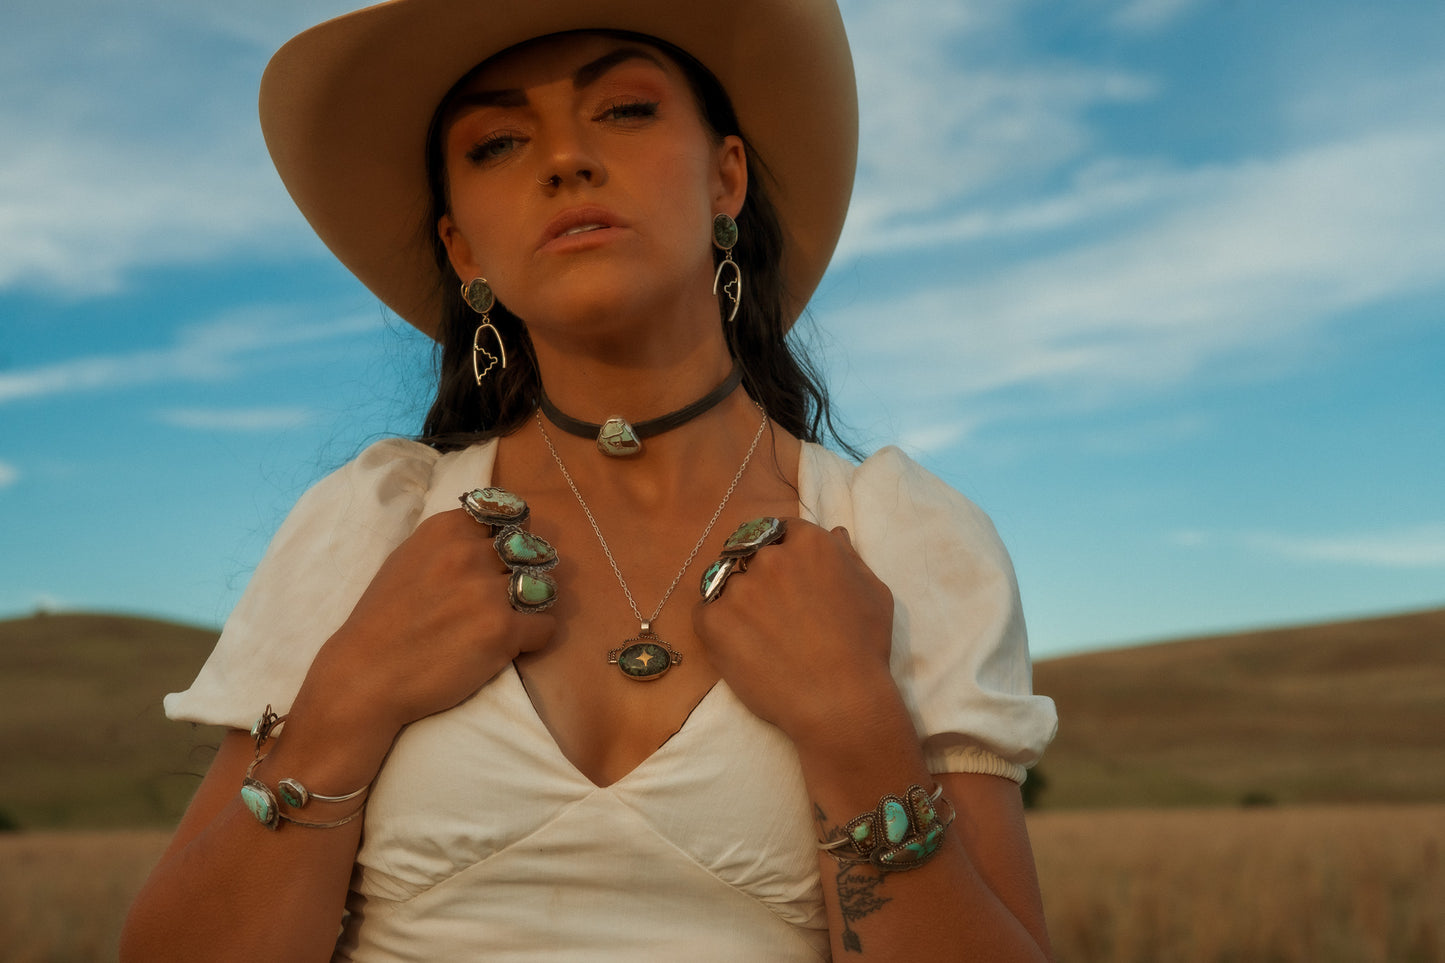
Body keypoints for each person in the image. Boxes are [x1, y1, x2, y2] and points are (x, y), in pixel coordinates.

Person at [121, 0, 1057, 959]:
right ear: (464, 251)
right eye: (496, 143)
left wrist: (855, 728)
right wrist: (347, 698)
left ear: (725, 178)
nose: (563, 159)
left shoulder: (898, 539)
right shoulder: (371, 529)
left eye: (624, 110)